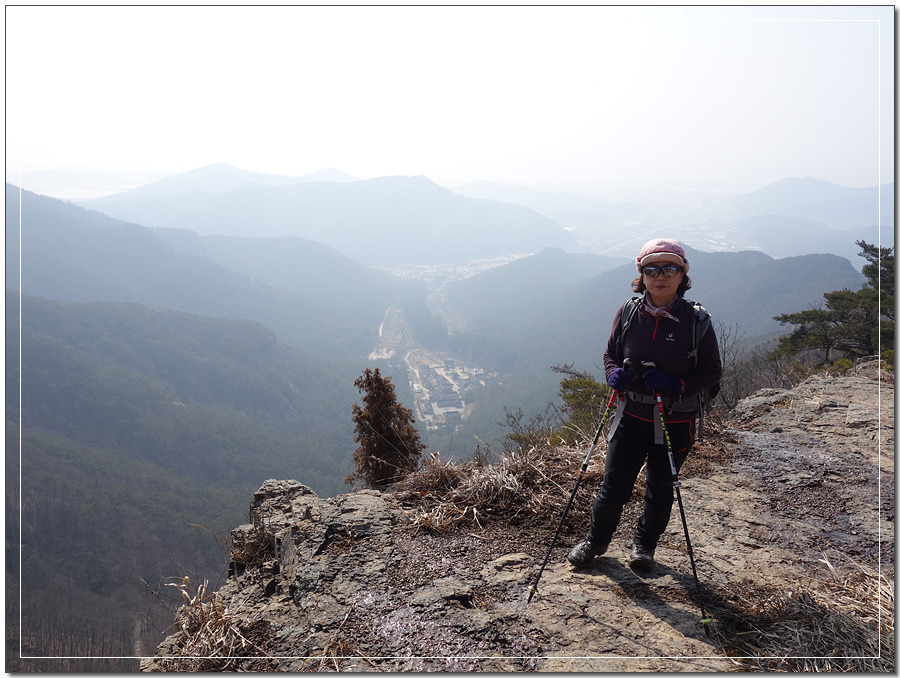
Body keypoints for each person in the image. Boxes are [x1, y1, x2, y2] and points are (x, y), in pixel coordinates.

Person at [568, 238, 722, 572]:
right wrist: (613, 375)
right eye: (652, 269)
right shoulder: (627, 313)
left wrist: (676, 386)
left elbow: (712, 372)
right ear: (642, 274)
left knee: (661, 489)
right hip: (630, 415)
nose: (660, 276)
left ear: (682, 275)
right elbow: (611, 353)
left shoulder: (697, 322)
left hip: (675, 420)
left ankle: (644, 546)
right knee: (613, 488)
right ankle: (595, 541)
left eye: (670, 269)